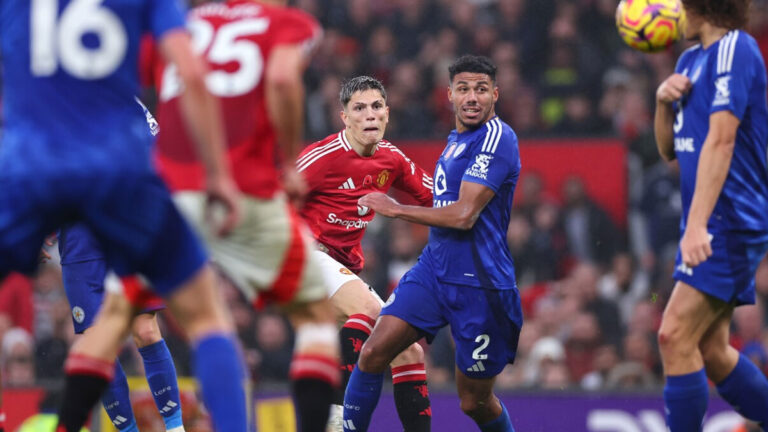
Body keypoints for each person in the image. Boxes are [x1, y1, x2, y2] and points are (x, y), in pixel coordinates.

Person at [0, 1, 250, 431]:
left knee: (132, 331)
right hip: (117, 177)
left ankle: (173, 427)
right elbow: (190, 73)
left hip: (32, 167)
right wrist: (215, 174)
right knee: (206, 314)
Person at [152, 1, 339, 430]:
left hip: (170, 192)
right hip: (244, 190)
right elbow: (280, 78)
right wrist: (289, 160)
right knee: (314, 316)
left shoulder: (186, 22)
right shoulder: (284, 22)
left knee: (125, 323)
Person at [343, 55, 521, 432]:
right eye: (463, 89)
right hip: (434, 272)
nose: (472, 97)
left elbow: (463, 216)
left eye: (481, 89)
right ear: (450, 95)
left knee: (474, 402)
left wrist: (396, 209)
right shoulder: (456, 139)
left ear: (495, 95)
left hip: (480, 286)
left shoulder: (497, 138)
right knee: (373, 352)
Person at [653, 0, 768, 430]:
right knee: (713, 351)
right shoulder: (690, 59)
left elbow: (722, 142)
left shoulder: (737, 49)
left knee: (673, 335)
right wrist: (662, 103)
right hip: (708, 218)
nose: (672, 13)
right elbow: (669, 150)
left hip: (730, 218)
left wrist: (698, 224)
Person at [297, 75, 433, 432]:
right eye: (359, 108)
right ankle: (334, 415)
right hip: (304, 256)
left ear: (387, 114)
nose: (369, 115)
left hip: (342, 268)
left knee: (406, 348)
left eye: (376, 107)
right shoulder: (321, 158)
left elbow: (438, 200)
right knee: (371, 312)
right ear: (344, 116)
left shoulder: (392, 160)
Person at [50, 102, 186, 432]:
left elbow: (158, 153)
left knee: (145, 329)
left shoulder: (120, 95)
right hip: (80, 239)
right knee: (99, 344)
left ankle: (176, 426)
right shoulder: (47, 105)